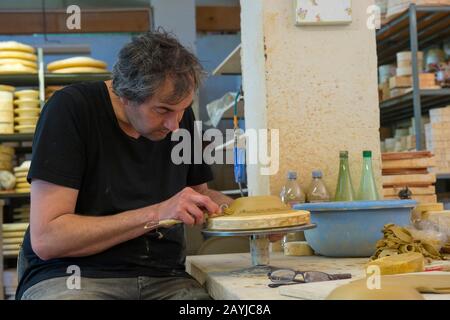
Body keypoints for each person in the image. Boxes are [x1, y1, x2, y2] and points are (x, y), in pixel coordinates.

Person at [16, 30, 234, 300]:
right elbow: (47, 239)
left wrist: (263, 219)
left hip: (163, 277)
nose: (175, 125)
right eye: (163, 110)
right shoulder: (71, 110)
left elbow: (201, 197)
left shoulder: (178, 118)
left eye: (183, 108)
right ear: (125, 95)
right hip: (73, 277)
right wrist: (158, 213)